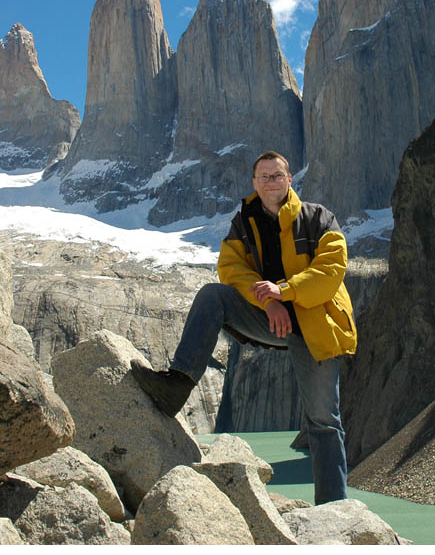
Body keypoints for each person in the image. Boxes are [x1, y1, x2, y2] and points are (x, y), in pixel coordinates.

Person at [130, 150, 357, 504]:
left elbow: (332, 271)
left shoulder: (318, 219)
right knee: (213, 296)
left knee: (323, 421)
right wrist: (269, 302)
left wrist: (283, 291)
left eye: (277, 175)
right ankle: (176, 385)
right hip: (270, 316)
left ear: (289, 180)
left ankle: (334, 511)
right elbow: (231, 269)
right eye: (264, 177)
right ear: (254, 183)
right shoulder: (245, 221)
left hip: (315, 324)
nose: (271, 182)